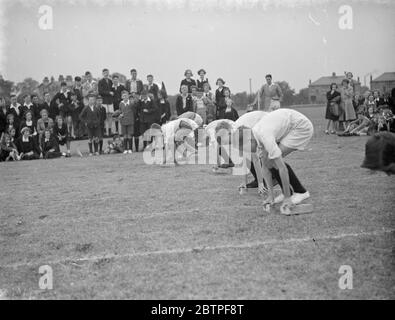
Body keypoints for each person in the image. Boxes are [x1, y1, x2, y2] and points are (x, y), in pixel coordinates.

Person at [235, 109, 313, 213]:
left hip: (301, 128)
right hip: (288, 127)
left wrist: (287, 199)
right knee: (267, 161)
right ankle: (288, 191)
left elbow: (282, 168)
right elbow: (265, 168)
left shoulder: (264, 136)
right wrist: (270, 196)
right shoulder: (256, 135)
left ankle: (301, 192)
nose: (248, 151)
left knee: (273, 160)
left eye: (246, 148)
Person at [98, 68, 114, 137]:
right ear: (103, 74)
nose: (106, 74)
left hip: (110, 101)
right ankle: (104, 131)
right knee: (104, 116)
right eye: (104, 73)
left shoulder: (110, 81)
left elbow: (112, 90)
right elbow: (100, 91)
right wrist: (109, 92)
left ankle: (110, 131)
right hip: (104, 101)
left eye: (107, 72)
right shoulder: (100, 81)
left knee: (110, 116)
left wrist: (112, 93)